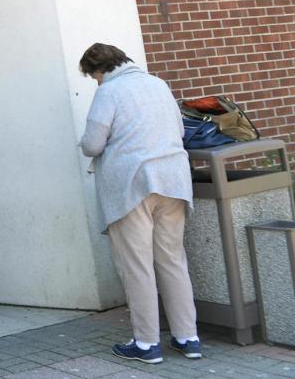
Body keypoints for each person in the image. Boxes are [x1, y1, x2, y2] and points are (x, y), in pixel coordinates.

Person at [78, 43, 201, 364]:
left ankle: (146, 343)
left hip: (132, 185)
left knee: (137, 265)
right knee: (173, 260)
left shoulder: (109, 91)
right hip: (173, 180)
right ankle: (188, 337)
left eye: (93, 76)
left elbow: (92, 145)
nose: (95, 82)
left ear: (99, 70)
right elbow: (179, 130)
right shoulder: (158, 84)